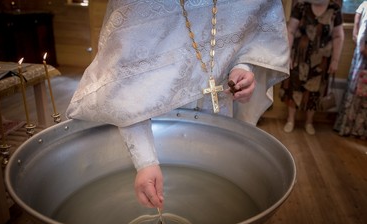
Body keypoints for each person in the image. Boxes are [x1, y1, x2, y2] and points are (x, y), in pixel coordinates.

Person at [66, 0, 289, 209]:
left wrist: (244, 67)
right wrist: (145, 160)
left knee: (211, 201)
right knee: (152, 200)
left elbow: (253, 32)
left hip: (219, 112)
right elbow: (125, 86)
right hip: (150, 125)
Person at [280, 0, 344, 135]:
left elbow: (338, 36)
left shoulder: (334, 10)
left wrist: (335, 60)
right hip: (299, 57)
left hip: (321, 61)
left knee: (315, 93)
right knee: (294, 88)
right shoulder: (301, 7)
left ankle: (309, 122)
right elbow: (290, 31)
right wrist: (288, 55)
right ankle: (290, 120)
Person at [334, 1, 367, 138]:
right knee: (357, 91)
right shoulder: (364, 5)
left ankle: (360, 129)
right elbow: (359, 37)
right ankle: (348, 126)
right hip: (363, 58)